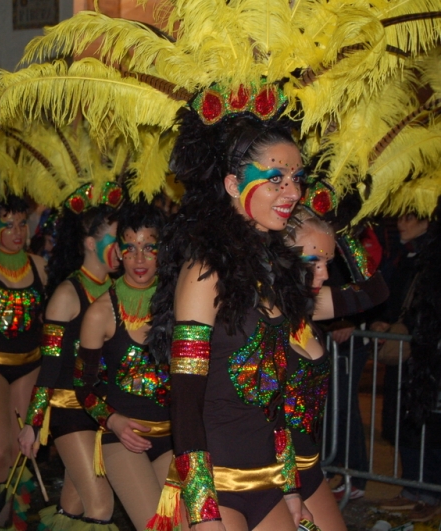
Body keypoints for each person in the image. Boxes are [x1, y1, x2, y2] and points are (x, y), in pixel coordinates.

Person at [151, 110, 314, 531]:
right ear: (231, 184)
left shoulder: (275, 271)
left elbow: (273, 392)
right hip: (214, 485)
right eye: (276, 177)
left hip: (267, 480)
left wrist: (291, 487)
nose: (291, 191)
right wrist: (204, 512)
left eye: (297, 178)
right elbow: (184, 402)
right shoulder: (205, 272)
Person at [17, 186, 122, 531]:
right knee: (101, 504)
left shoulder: (118, 293)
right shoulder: (67, 294)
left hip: (105, 412)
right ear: (91, 243)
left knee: (74, 506)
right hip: (70, 411)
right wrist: (33, 424)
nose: (123, 250)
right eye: (116, 240)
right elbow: (49, 367)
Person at [282, 204, 389, 531]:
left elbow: (375, 290)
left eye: (327, 262)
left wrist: (341, 230)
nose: (325, 274)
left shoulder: (308, 307)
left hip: (309, 464)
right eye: (313, 261)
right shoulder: (250, 312)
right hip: (263, 471)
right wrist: (287, 485)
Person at [74, 203, 174, 530]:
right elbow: (83, 388)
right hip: (123, 438)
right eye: (130, 248)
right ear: (117, 251)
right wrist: (113, 421)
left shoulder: (182, 305)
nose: (140, 259)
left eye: (149, 247)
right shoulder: (100, 313)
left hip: (173, 437)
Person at [0, 194, 47, 531]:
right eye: (8, 225)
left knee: (24, 451)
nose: (17, 232)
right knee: (0, 451)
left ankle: (14, 524)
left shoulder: (40, 266)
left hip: (30, 363)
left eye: (21, 224)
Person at [375, 210, 440, 519]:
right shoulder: (407, 257)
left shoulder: (430, 260)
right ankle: (411, 486)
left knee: (426, 422)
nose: (402, 223)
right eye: (401, 217)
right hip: (405, 355)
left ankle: (428, 490)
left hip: (427, 360)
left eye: (410, 217)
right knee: (400, 419)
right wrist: (384, 321)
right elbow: (392, 296)